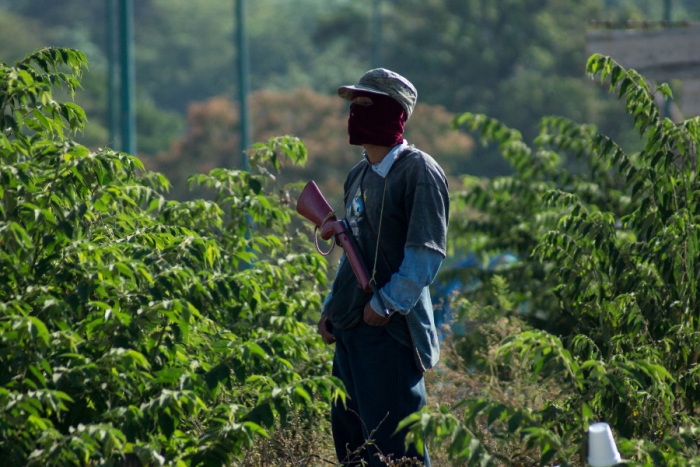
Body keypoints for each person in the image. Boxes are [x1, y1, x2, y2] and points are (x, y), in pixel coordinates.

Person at [317, 68, 449, 467]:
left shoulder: (419, 171)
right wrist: (331, 309)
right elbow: (351, 251)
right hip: (352, 331)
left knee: (396, 451)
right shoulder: (358, 175)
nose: (355, 113)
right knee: (353, 447)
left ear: (396, 113)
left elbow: (426, 253)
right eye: (354, 105)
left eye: (367, 104)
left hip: (389, 331)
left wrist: (386, 303)